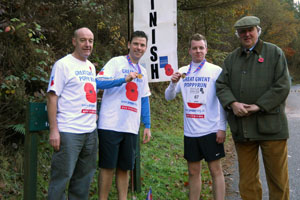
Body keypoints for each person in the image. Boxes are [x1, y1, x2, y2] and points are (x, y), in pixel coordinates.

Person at [216, 16, 290, 200]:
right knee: (247, 182)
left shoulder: (274, 53)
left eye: (250, 30)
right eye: (242, 31)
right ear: (238, 34)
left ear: (258, 31)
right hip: (244, 128)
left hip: (272, 128)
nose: (247, 34)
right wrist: (233, 103)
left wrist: (259, 106)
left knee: (278, 181)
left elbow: (282, 86)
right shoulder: (231, 59)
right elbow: (221, 85)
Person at [165, 33, 227, 200]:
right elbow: (168, 97)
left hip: (211, 130)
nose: (198, 51)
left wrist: (222, 127)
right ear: (189, 51)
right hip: (190, 131)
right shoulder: (183, 72)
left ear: (206, 50)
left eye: (201, 47)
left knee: (216, 171)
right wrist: (173, 83)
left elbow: (223, 102)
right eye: (195, 48)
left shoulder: (216, 71)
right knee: (193, 172)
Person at [96, 30, 151, 200]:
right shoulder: (116, 62)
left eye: (142, 45)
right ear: (128, 45)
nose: (138, 48)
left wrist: (147, 125)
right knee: (107, 167)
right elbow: (97, 82)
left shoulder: (143, 70)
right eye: (135, 44)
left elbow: (144, 99)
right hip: (110, 124)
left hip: (130, 126)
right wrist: (123, 80)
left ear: (146, 48)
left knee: (125, 168)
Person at [47, 27, 98, 200]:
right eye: (83, 40)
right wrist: (54, 130)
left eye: (90, 41)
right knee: (61, 178)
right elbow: (52, 97)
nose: (87, 44)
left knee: (83, 180)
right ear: (74, 41)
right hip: (69, 131)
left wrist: (94, 113)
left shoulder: (91, 67)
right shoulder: (63, 65)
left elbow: (87, 93)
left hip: (90, 132)